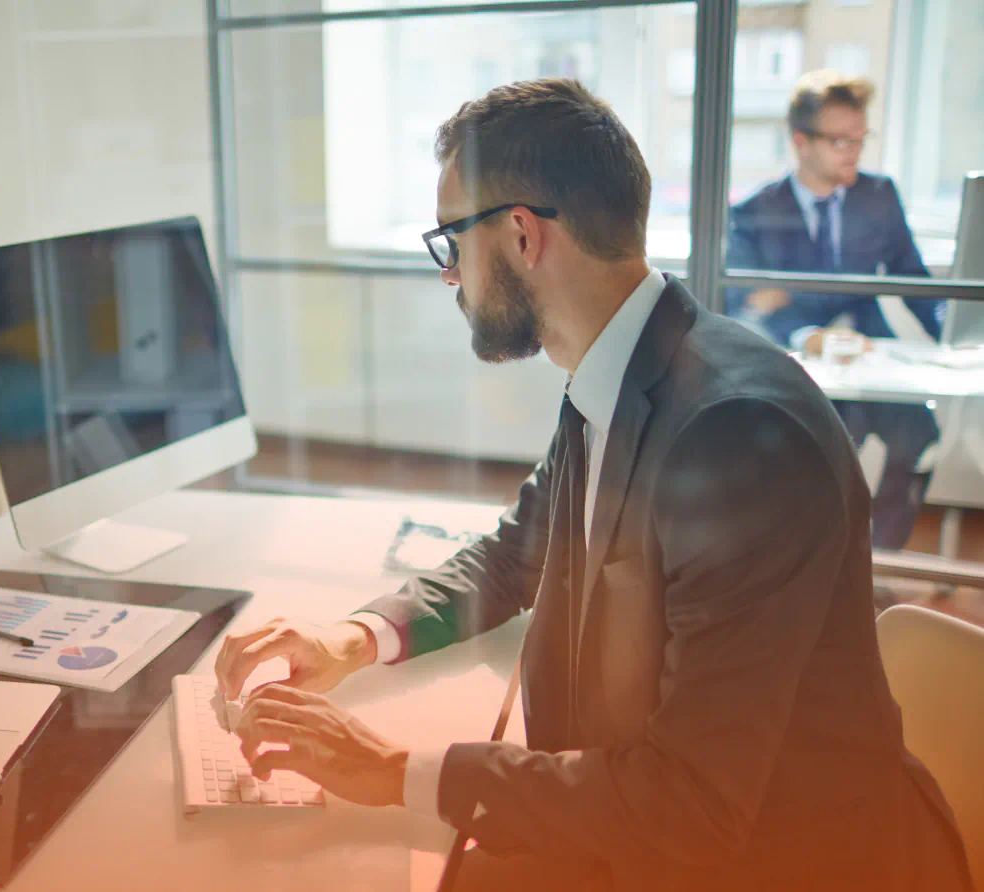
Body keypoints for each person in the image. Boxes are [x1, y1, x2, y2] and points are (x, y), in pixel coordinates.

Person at [214, 79, 973, 891]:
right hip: (655, 820)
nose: (449, 278)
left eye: (451, 244)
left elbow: (689, 806)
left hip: (778, 861)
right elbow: (519, 551)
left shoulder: (739, 440)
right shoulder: (624, 369)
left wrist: (391, 770)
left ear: (519, 236)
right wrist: (357, 637)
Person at [726, 70, 943, 551]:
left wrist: (955, 330)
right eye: (840, 140)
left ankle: (880, 560)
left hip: (870, 352)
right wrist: (806, 332)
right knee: (827, 453)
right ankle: (821, 564)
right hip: (800, 361)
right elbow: (740, 302)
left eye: (860, 139)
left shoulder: (878, 195)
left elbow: (914, 279)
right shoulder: (755, 211)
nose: (854, 151)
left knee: (921, 437)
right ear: (801, 142)